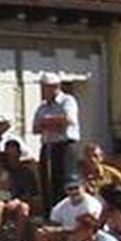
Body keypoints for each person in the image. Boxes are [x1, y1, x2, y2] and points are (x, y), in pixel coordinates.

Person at [32, 72, 80, 213]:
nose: (42, 91)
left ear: (55, 87)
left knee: (65, 180)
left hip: (64, 146)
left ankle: (67, 213)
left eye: (45, 87)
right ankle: (50, 213)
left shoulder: (67, 101)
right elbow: (35, 128)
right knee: (47, 181)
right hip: (48, 145)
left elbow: (68, 120)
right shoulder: (42, 107)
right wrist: (54, 122)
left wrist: (47, 122)